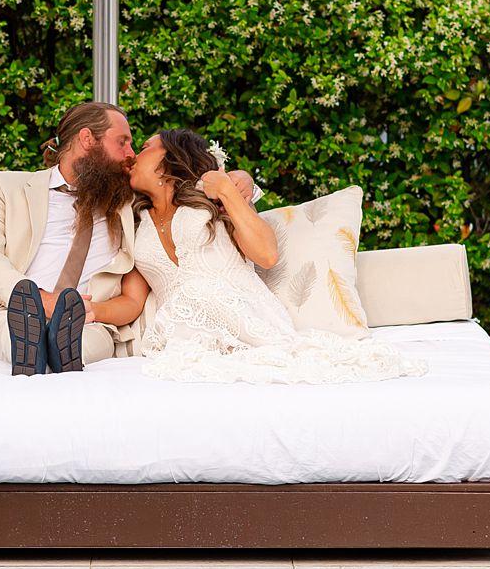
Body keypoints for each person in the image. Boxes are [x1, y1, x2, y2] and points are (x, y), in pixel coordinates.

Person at [112, 128, 423, 384]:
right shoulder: (135, 222)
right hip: (185, 339)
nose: (135, 156)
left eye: (145, 147)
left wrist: (227, 189)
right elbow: (132, 302)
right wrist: (88, 310)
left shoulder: (212, 201)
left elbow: (266, 254)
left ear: (170, 157)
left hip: (246, 320)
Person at [0, 100, 149, 375]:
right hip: (8, 312)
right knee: (8, 334)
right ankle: (33, 347)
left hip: (87, 322)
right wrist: (39, 300)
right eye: (122, 142)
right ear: (87, 139)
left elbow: (182, 185)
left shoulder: (130, 203)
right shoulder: (4, 186)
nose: (132, 154)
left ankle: (54, 349)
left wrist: (228, 180)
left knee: (86, 342)